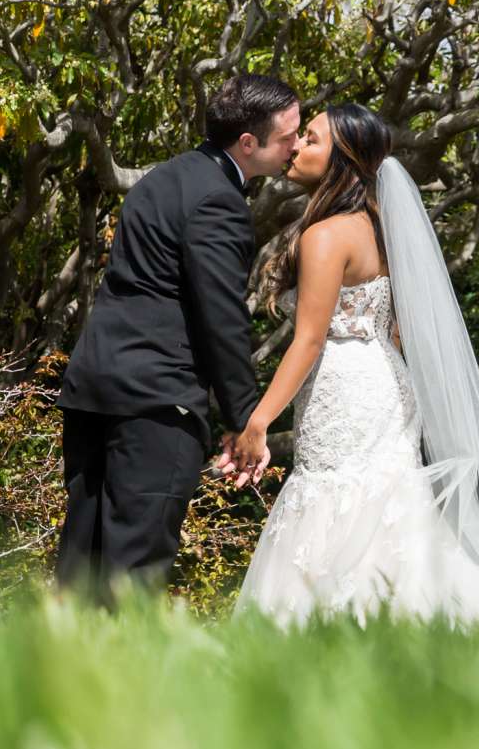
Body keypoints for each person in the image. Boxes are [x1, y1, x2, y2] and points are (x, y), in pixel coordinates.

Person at [228, 104, 479, 627]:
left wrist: (258, 423)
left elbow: (307, 340)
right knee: (389, 506)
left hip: (345, 388)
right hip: (385, 381)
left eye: (313, 140)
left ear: (343, 160)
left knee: (334, 500)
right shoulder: (376, 226)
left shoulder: (326, 235)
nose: (297, 146)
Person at [54, 74, 301, 600]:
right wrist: (244, 420)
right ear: (249, 143)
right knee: (134, 575)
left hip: (94, 391)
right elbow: (221, 317)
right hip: (154, 401)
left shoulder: (163, 178)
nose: (296, 146)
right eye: (288, 137)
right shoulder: (219, 201)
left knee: (81, 567)